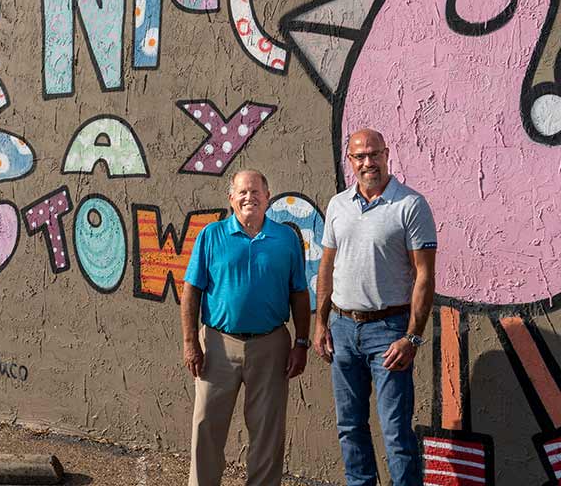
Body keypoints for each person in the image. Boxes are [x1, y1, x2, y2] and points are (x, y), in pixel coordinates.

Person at [314, 128, 437, 486]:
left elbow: (425, 276)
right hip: (342, 328)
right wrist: (321, 323)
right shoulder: (338, 205)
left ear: (386, 154)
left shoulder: (410, 205)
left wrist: (412, 338)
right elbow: (326, 267)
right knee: (350, 427)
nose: (368, 162)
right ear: (349, 161)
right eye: (360, 156)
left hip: (389, 331)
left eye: (374, 154)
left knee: (396, 433)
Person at [180, 169, 311, 486]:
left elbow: (299, 293)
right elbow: (191, 291)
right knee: (206, 426)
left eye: (256, 191)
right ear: (231, 199)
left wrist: (302, 343)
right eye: (242, 192)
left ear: (268, 197)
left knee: (267, 431)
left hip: (271, 345)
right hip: (217, 344)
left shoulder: (286, 239)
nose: (249, 197)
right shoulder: (211, 236)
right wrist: (189, 342)